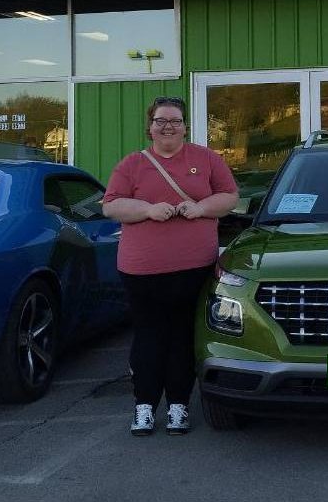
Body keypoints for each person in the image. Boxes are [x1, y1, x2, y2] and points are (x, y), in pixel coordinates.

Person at [102, 96, 238, 436]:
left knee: (182, 337)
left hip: (193, 269)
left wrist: (202, 207)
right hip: (142, 271)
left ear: (185, 125)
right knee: (148, 337)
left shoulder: (206, 158)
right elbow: (111, 205)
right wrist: (147, 210)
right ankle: (144, 406)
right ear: (149, 127)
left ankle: (179, 406)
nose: (168, 126)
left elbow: (229, 196)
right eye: (161, 120)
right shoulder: (132, 164)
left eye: (174, 120)